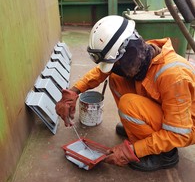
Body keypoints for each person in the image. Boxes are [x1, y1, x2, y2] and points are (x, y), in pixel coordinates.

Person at [55, 15, 195, 171]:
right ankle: (139, 129)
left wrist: (133, 150)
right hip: (166, 111)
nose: (115, 67)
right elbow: (100, 72)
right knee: (116, 77)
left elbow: (179, 133)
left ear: (128, 52)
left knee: (129, 105)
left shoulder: (174, 76)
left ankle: (165, 155)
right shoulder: (143, 53)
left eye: (115, 63)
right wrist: (73, 92)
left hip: (184, 128)